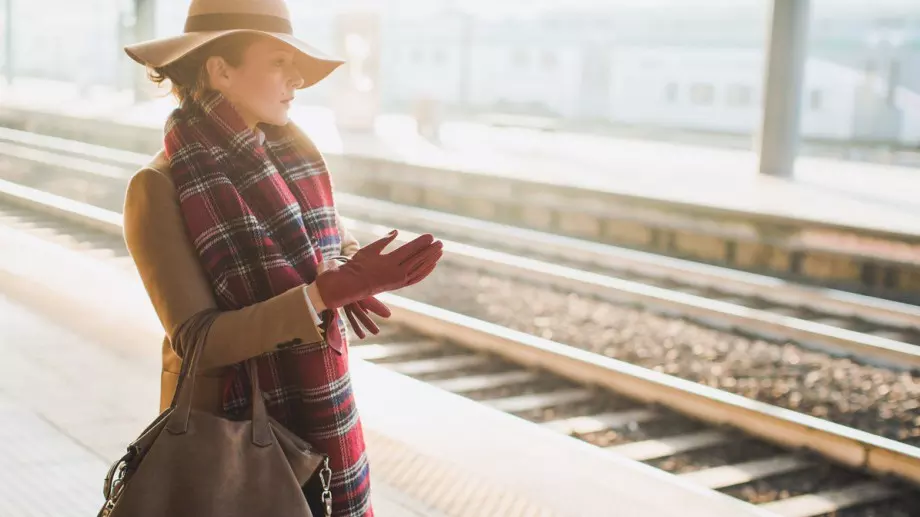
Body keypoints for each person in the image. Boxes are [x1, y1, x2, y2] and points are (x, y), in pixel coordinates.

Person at [120, 1, 444, 515]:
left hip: (320, 422)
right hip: (228, 447)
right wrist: (321, 296)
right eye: (278, 62)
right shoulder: (157, 187)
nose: (296, 78)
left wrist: (352, 272)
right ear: (220, 70)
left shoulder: (292, 159)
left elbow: (330, 247)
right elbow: (200, 341)